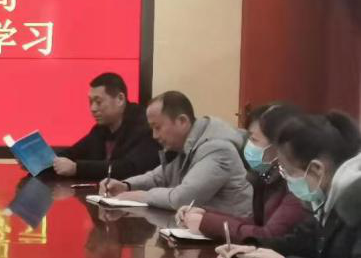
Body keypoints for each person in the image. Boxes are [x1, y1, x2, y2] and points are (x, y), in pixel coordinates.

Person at [217, 112, 361, 258]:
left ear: (317, 169)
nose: (287, 179)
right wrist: (253, 250)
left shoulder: (353, 197)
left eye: (288, 171)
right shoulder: (329, 196)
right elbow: (304, 240)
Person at [100, 91, 252, 214]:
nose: (154, 136)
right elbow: (157, 178)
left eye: (157, 127)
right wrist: (126, 186)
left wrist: (143, 196)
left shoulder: (218, 150)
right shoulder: (186, 145)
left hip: (228, 235)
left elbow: (183, 199)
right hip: (201, 228)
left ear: (182, 121)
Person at [178, 103, 309, 241]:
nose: (248, 145)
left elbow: (267, 236)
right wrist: (205, 215)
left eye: (254, 140)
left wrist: (206, 222)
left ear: (278, 146)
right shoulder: (266, 177)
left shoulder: (298, 185)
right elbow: (254, 224)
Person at [52, 72, 159, 180]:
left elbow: (129, 168)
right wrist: (52, 160)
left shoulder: (145, 126)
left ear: (120, 99)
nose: (93, 108)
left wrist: (77, 168)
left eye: (98, 102)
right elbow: (72, 153)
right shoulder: (101, 129)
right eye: (90, 102)